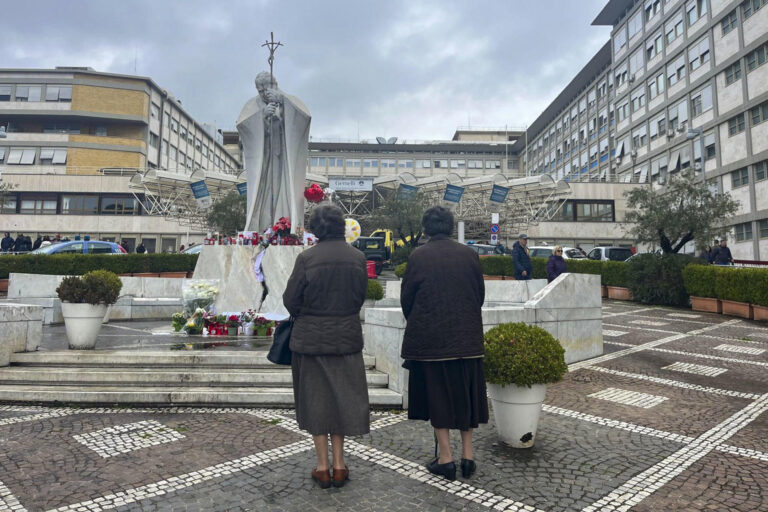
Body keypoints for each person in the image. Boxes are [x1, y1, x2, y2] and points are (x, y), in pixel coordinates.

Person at [283, 205, 369, 489]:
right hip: (345, 337)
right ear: (341, 226)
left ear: (316, 229)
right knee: (342, 399)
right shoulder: (357, 257)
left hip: (311, 340)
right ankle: (341, 465)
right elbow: (360, 297)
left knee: (316, 400)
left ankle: (322, 467)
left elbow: (291, 300)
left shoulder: (307, 258)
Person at [400, 206, 488, 482]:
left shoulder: (418, 256)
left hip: (432, 341)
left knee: (437, 397)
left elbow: (407, 300)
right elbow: (479, 295)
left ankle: (446, 457)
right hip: (467, 339)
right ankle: (469, 456)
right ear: (450, 226)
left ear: (426, 228)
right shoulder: (469, 255)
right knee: (467, 395)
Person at [238, 71, 311, 234]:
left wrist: (282, 104)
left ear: (275, 85)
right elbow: (243, 126)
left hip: (284, 158)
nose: (264, 94)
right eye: (260, 91)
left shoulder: (288, 101)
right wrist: (262, 117)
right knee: (263, 190)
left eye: (266, 89)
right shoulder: (252, 106)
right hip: (264, 158)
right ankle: (263, 226)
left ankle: (285, 225)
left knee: (284, 188)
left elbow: (304, 118)